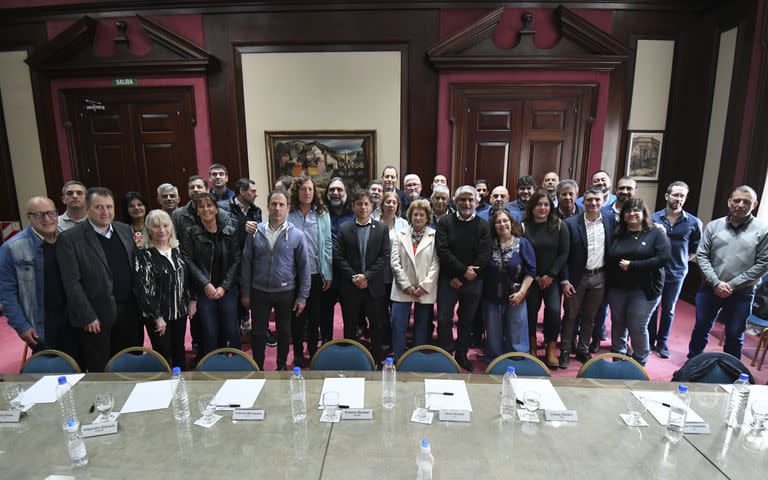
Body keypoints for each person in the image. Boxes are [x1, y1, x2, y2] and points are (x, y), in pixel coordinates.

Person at [57, 187, 142, 372]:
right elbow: (72, 283)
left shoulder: (125, 230)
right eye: (99, 207)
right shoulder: (70, 239)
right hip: (97, 316)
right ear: (87, 209)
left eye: (109, 207)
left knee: (131, 364)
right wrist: (87, 316)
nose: (105, 212)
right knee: (101, 368)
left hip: (130, 311)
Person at [688, 186, 768, 360]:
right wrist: (716, 282)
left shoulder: (763, 230)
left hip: (742, 292)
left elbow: (763, 264)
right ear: (729, 202)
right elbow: (702, 256)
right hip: (710, 287)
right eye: (736, 200)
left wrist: (731, 285)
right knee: (701, 327)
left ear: (754, 205)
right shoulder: (714, 226)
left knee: (734, 333)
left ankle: (730, 371)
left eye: (746, 202)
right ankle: (692, 362)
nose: (740, 205)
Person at [242, 189, 310, 370]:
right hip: (259, 292)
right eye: (274, 204)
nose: (277, 208)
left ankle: (281, 367)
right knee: (257, 333)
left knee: (284, 332)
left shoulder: (297, 235)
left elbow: (304, 268)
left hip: (285, 292)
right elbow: (246, 263)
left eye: (281, 205)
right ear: (267, 206)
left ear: (288, 208)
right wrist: (245, 293)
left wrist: (302, 296)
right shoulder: (255, 232)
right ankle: (257, 367)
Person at [0, 197, 77, 357]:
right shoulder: (12, 248)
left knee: (80, 368)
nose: (47, 219)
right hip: (41, 324)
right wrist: (21, 326)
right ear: (29, 216)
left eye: (51, 213)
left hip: (74, 319)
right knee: (52, 373)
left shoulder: (69, 239)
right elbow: (6, 293)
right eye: (40, 215)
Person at [605, 197, 670, 366]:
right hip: (617, 288)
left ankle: (639, 363)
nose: (631, 214)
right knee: (618, 324)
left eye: (636, 210)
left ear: (643, 213)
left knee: (637, 326)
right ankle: (618, 360)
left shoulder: (656, 233)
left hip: (644, 289)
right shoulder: (617, 233)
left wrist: (633, 266)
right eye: (627, 211)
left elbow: (663, 258)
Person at [435, 185, 492, 371]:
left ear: (476, 202)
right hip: (448, 279)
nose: (467, 203)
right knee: (444, 319)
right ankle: (445, 352)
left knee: (467, 320)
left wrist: (465, 277)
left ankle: (461, 354)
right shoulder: (445, 222)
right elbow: (442, 250)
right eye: (462, 200)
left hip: (473, 280)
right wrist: (459, 273)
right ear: (455, 201)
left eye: (470, 200)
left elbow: (484, 255)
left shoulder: (484, 225)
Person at [334, 188, 391, 365]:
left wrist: (366, 276)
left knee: (376, 326)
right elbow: (338, 256)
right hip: (351, 287)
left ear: (372, 206)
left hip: (373, 287)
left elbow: (385, 256)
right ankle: (350, 360)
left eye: (366, 204)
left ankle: (376, 361)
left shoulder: (381, 228)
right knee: (350, 326)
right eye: (359, 204)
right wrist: (354, 277)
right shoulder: (344, 228)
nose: (363, 207)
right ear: (353, 206)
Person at [181, 193, 241, 357]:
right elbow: (188, 260)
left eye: (209, 205)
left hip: (226, 288)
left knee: (231, 328)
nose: (206, 209)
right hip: (203, 289)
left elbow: (236, 260)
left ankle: (238, 363)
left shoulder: (230, 231)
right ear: (197, 211)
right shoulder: (191, 233)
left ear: (216, 209)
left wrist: (223, 287)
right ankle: (212, 365)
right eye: (201, 206)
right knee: (210, 330)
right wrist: (205, 283)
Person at [558, 187, 613, 368]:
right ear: (583, 201)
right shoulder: (571, 223)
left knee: (590, 316)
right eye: (589, 200)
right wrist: (565, 280)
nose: (594, 203)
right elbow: (563, 255)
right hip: (577, 278)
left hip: (600, 276)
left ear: (603, 201)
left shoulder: (610, 220)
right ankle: (565, 351)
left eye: (597, 200)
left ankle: (583, 350)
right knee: (571, 315)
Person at [649, 181, 702, 359]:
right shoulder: (653, 218)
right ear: (667, 196)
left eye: (682, 196)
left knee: (669, 309)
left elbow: (694, 249)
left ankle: (662, 342)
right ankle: (649, 341)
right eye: (675, 195)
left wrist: (681, 262)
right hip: (654, 272)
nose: (678, 199)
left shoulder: (693, 222)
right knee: (653, 307)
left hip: (677, 273)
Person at [134, 210, 190, 369]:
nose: (162, 230)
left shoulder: (177, 249)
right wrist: (157, 317)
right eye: (156, 226)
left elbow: (186, 278)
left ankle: (182, 386)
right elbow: (142, 289)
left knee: (179, 351)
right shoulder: (143, 254)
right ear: (149, 230)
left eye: (165, 225)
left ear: (171, 228)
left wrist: (191, 300)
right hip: (157, 315)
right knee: (163, 354)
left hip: (179, 311)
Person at [288, 176, 333, 366]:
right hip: (293, 274)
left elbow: (328, 243)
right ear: (296, 192)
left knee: (315, 316)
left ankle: (313, 350)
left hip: (316, 272)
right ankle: (298, 353)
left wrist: (328, 272)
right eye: (303, 189)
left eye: (310, 189)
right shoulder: (288, 213)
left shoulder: (322, 213)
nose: (307, 192)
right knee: (296, 316)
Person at [522, 189, 570, 368]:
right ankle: (532, 347)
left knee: (554, 311)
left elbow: (564, 253)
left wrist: (550, 275)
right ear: (532, 207)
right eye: (539, 204)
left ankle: (550, 348)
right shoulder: (524, 226)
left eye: (546, 204)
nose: (543, 208)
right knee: (530, 312)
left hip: (552, 278)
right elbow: (522, 252)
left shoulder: (559, 225)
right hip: (531, 278)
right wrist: (534, 276)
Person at [482, 209, 536, 361]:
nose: (502, 224)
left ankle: (517, 360)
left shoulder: (523, 243)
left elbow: (531, 270)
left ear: (512, 223)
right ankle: (495, 362)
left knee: (517, 333)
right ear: (493, 226)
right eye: (498, 222)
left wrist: (522, 293)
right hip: (492, 296)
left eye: (505, 221)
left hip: (516, 296)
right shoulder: (488, 244)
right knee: (493, 334)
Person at [390, 199, 440, 361]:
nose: (418, 217)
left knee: (421, 327)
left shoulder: (434, 236)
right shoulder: (400, 234)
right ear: (410, 216)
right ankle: (398, 358)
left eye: (422, 215)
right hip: (402, 288)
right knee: (398, 325)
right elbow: (394, 262)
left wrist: (425, 286)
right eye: (415, 214)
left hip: (424, 290)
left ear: (427, 218)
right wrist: (406, 285)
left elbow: (436, 263)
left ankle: (415, 359)